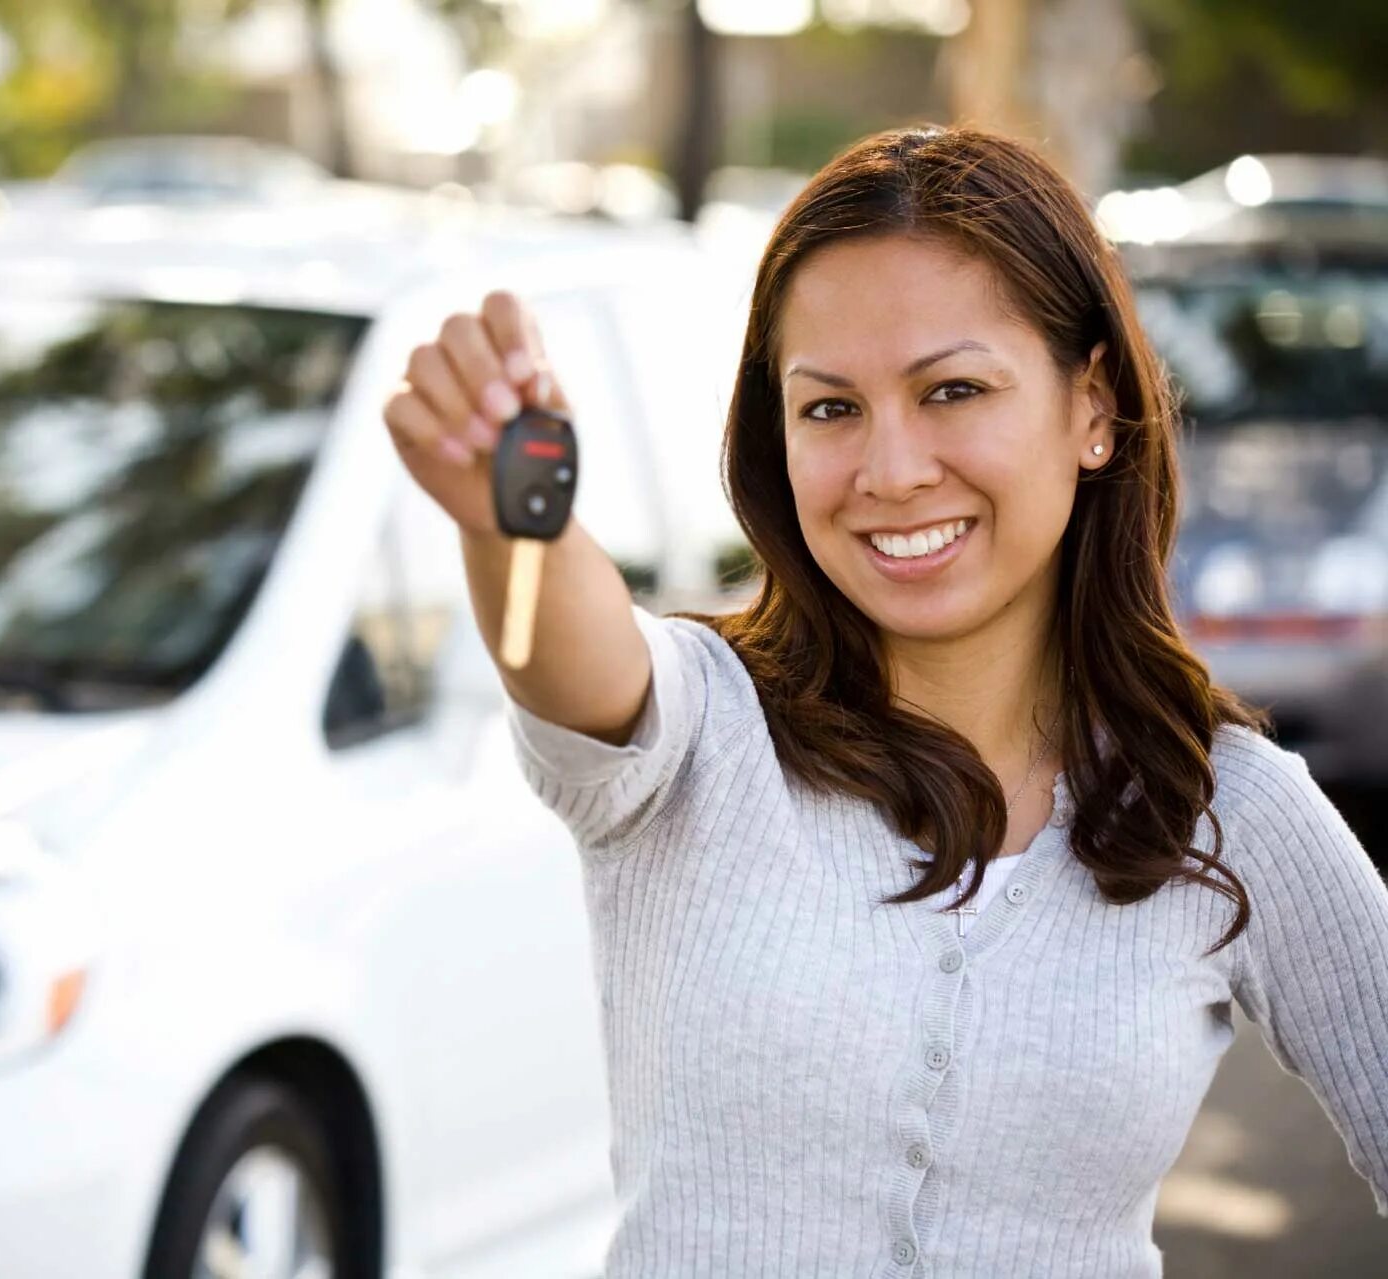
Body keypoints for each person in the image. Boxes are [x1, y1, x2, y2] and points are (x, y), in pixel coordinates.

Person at [381, 124, 1388, 1276]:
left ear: (1092, 406)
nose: (892, 469)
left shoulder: (1230, 811)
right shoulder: (700, 730)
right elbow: (563, 662)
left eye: (953, 389)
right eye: (830, 408)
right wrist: (513, 520)